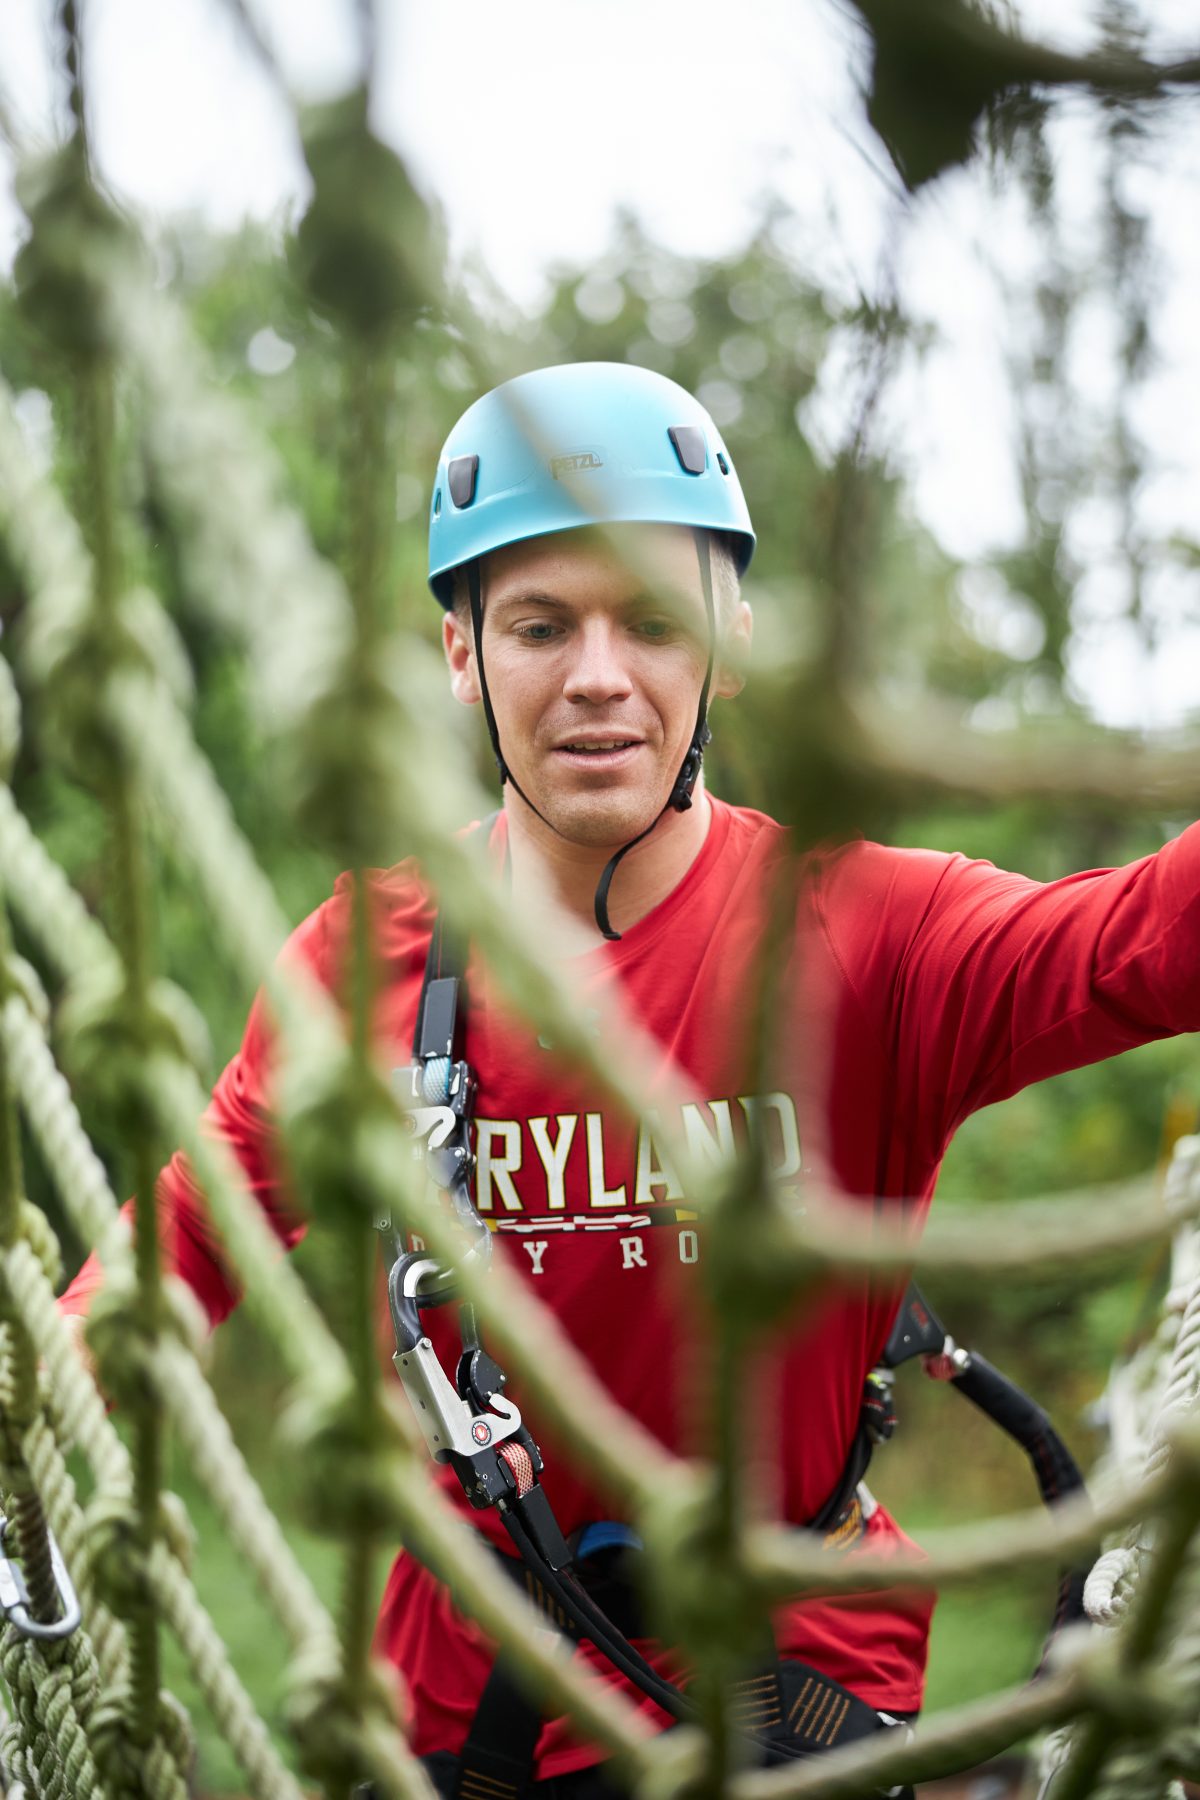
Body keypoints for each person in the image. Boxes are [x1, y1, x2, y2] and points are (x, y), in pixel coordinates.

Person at [60, 361, 1200, 1800]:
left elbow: (1152, 940)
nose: (597, 674)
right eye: (540, 624)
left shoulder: (872, 935)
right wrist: (43, 1385)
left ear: (723, 646)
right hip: (462, 1688)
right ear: (463, 654)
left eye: (649, 621)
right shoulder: (366, 960)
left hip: (784, 1679)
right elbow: (188, 1229)